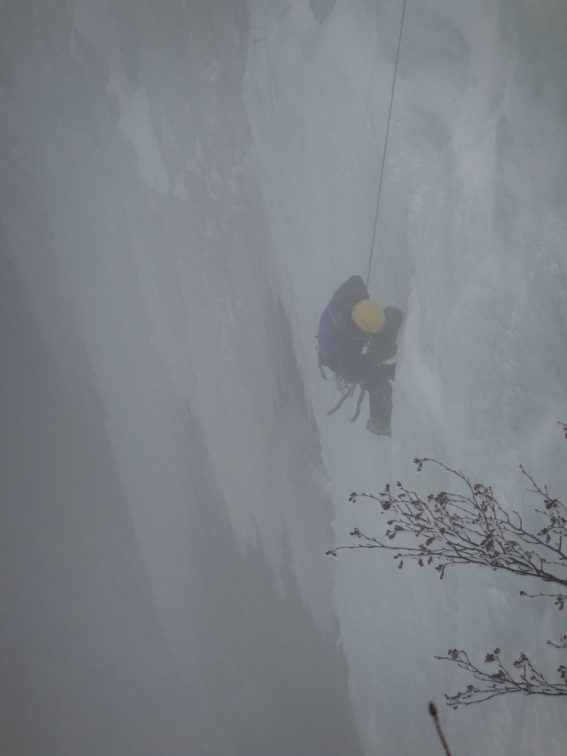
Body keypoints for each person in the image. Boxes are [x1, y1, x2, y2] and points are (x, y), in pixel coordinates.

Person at [317, 275, 403, 436]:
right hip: (336, 360)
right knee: (379, 386)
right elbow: (353, 373)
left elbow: (356, 279)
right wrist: (386, 370)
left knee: (394, 315)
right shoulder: (342, 348)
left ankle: (378, 352)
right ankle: (378, 425)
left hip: (354, 320)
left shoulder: (353, 291)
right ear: (360, 331)